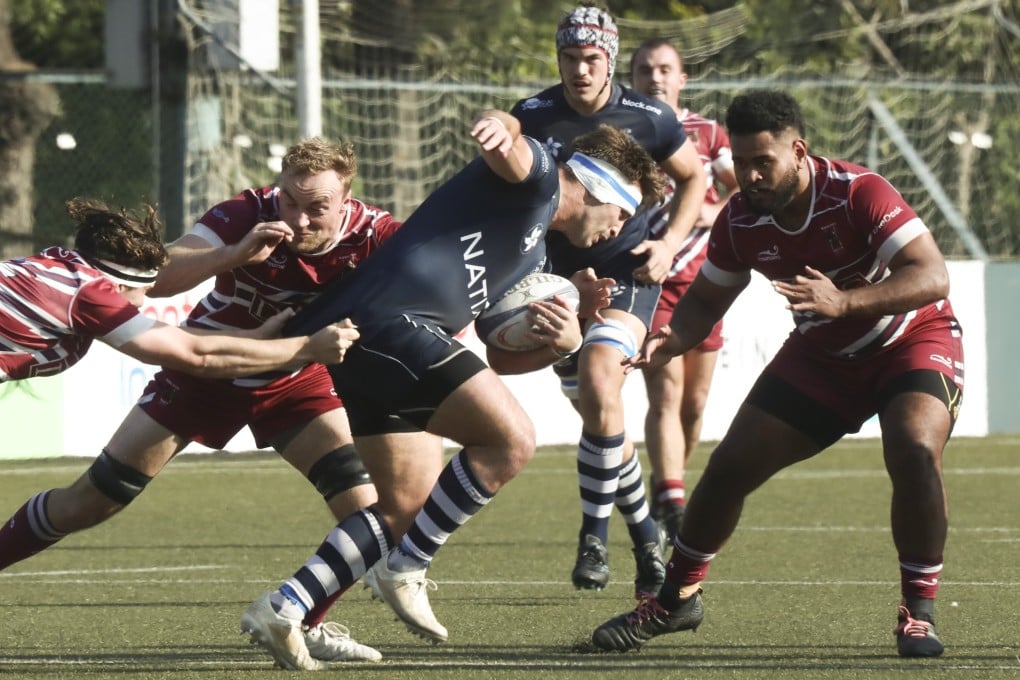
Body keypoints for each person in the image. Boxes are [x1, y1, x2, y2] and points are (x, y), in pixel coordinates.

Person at [237, 110, 665, 670]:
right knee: (512, 442)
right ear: (593, 187)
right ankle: (408, 565)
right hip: (392, 324)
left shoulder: (537, 256)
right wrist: (500, 126)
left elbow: (500, 355)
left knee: (404, 506)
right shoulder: (539, 180)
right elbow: (513, 147)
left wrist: (568, 336)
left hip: (372, 343)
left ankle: (286, 606)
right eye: (623, 213)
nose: (619, 229)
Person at [0, 138, 427, 665]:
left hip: (293, 381)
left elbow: (435, 280)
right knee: (92, 501)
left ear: (346, 199)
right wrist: (233, 253)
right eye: (289, 201)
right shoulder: (247, 212)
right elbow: (162, 281)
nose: (297, 218)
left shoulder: (379, 235)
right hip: (201, 374)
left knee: (367, 514)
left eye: (316, 207)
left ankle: (298, 616)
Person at [590, 89, 963, 659]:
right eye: (741, 163)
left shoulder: (858, 192)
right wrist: (672, 340)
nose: (751, 176)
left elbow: (933, 276)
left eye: (764, 162)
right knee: (727, 471)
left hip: (911, 340)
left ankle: (918, 613)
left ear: (799, 151)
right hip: (824, 357)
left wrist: (844, 302)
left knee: (913, 448)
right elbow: (707, 298)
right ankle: (674, 601)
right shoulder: (740, 219)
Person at [510, 3, 706, 597]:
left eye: (591, 58)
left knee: (601, 382)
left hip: (628, 274)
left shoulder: (649, 116)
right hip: (558, 284)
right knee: (603, 419)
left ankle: (593, 537)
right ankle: (647, 538)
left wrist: (669, 244)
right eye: (569, 58)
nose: (580, 70)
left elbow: (695, 178)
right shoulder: (534, 115)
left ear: (611, 59)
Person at [629, 38, 739, 550]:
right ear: (631, 77)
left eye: (665, 69)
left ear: (682, 78)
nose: (655, 77)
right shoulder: (619, 133)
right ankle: (674, 502)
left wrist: (709, 214)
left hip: (707, 280)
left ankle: (667, 484)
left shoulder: (709, 135)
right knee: (666, 394)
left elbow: (743, 190)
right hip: (651, 279)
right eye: (646, 69)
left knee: (694, 405)